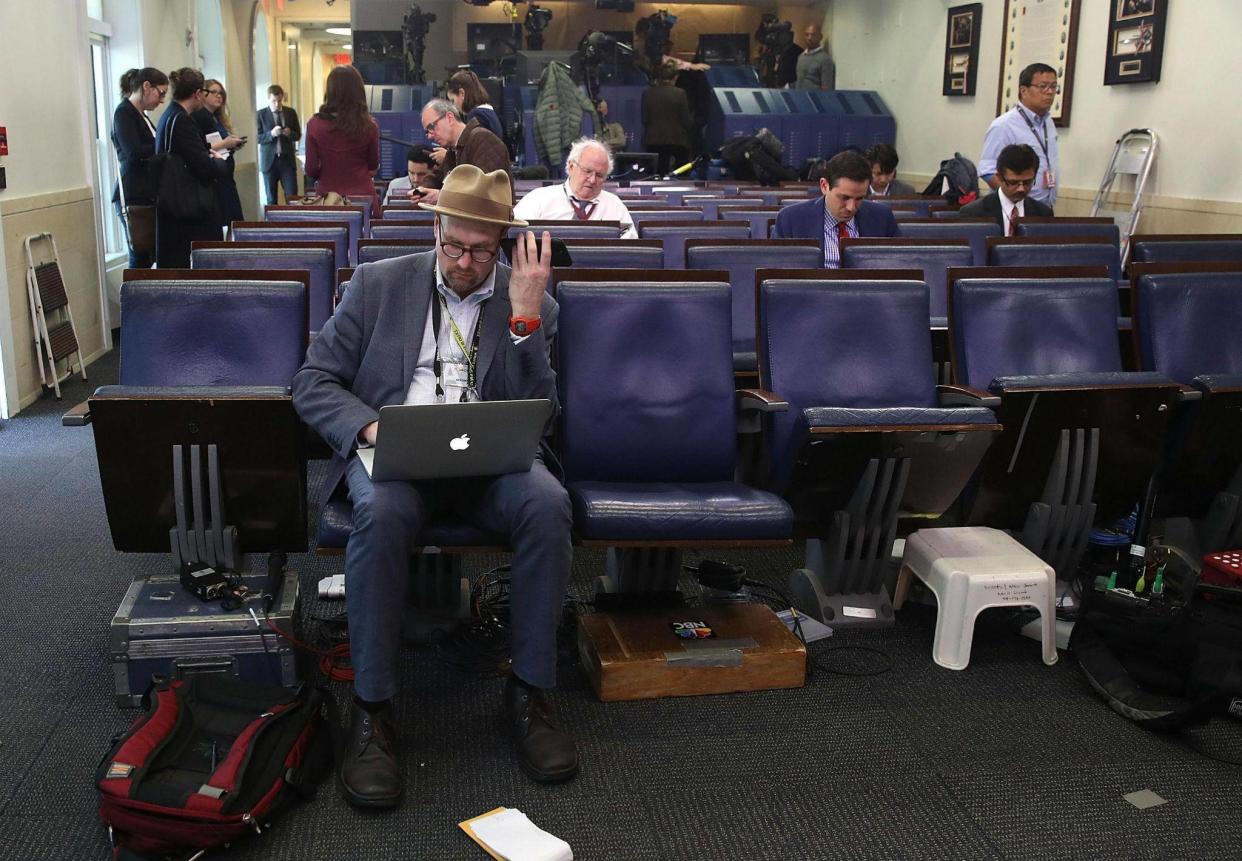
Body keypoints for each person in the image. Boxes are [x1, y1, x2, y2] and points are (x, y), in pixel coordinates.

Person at [291, 164, 576, 808]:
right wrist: (368, 431)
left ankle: (531, 692)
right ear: (437, 228)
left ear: (501, 245)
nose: (465, 263)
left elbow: (542, 413)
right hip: (395, 457)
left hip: (492, 465)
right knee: (384, 514)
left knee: (548, 504)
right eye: (453, 245)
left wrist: (525, 322)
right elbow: (313, 383)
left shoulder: (531, 301)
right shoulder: (377, 285)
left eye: (480, 251)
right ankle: (374, 708)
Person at [153, 68, 229, 269]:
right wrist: (218, 161)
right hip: (187, 209)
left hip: (173, 205)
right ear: (197, 94)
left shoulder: (168, 116)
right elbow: (202, 166)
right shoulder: (182, 120)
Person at [773, 150, 898, 268]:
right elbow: (780, 278)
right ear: (824, 186)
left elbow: (897, 270)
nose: (851, 207)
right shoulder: (790, 220)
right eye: (844, 197)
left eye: (859, 198)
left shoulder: (883, 218)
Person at [514, 137, 637, 238]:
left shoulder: (615, 206)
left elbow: (630, 252)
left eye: (599, 175)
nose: (592, 180)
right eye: (587, 171)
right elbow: (514, 234)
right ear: (571, 166)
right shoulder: (538, 199)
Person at [979, 62, 1059, 207]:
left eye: (1053, 86)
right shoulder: (1004, 125)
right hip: (1013, 209)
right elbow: (987, 170)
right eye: (1043, 86)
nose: (1049, 92)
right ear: (1023, 90)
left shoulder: (1048, 123)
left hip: (1044, 209)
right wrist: (1016, 199)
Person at [304, 65, 381, 216]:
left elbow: (311, 170)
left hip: (328, 200)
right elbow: (373, 165)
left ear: (330, 91)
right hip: (363, 197)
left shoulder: (314, 124)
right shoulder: (369, 126)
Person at [111, 67, 167, 268]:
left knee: (148, 253)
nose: (161, 100)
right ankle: (134, 298)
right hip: (132, 194)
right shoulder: (124, 112)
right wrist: (164, 145)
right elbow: (133, 152)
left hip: (146, 193)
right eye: (160, 93)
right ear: (146, 86)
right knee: (139, 253)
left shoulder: (141, 115)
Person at [418, 99, 512, 206]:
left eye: (431, 127)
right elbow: (436, 178)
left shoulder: (483, 140)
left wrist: (441, 196)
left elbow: (484, 192)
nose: (430, 136)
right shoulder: (453, 150)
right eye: (427, 132)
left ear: (449, 118)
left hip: (488, 221)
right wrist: (422, 190)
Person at [958, 143, 1053, 233]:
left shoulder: (1043, 214)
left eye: (1027, 182)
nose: (1021, 189)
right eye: (1013, 182)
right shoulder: (973, 213)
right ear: (999, 177)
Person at [196, 79, 245, 231]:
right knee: (224, 221)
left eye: (221, 93)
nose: (219, 96)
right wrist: (225, 144)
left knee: (234, 221)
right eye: (214, 92)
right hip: (215, 179)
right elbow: (202, 147)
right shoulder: (199, 117)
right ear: (203, 94)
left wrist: (232, 145)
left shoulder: (216, 118)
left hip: (226, 175)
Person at [641, 60, 692, 176]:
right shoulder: (680, 93)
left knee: (655, 174)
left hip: (653, 141)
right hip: (677, 141)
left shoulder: (648, 93)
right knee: (682, 174)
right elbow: (686, 120)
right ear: (676, 77)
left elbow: (644, 119)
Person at [257, 84, 301, 205]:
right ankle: (272, 224)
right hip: (269, 162)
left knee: (292, 197)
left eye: (279, 101)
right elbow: (257, 137)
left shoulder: (290, 113)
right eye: (274, 101)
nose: (277, 104)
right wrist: (271, 134)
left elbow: (298, 135)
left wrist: (289, 133)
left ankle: (293, 223)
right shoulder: (260, 114)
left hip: (287, 160)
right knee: (271, 199)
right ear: (268, 99)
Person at [447, 70, 504, 141]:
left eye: (453, 100)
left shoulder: (476, 116)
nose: (454, 106)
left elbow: (474, 150)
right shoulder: (487, 113)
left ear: (462, 93)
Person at [796, 23, 835, 90]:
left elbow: (826, 89)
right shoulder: (801, 57)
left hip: (813, 99)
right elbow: (801, 80)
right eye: (807, 34)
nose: (810, 38)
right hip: (799, 98)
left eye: (813, 35)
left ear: (820, 37)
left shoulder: (825, 60)